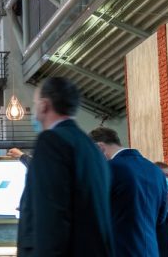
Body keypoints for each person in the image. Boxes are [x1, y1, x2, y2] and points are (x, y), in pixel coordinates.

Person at [16, 77, 114, 257]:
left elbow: (50, 217)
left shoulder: (51, 141)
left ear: (44, 105)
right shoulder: (91, 148)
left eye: (35, 103)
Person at [89, 127, 168, 257]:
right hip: (151, 251)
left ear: (100, 147)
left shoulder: (108, 169)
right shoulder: (156, 171)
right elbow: (161, 218)